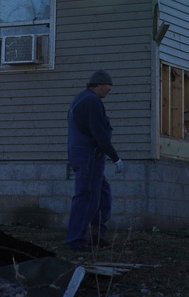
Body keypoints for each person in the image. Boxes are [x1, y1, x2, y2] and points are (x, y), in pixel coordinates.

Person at [66, 69, 123, 250]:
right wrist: (115, 157)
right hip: (88, 156)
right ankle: (76, 241)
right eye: (108, 86)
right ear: (98, 85)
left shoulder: (83, 98)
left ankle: (96, 234)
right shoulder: (91, 101)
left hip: (86, 155)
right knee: (87, 197)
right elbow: (99, 133)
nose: (110, 89)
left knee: (103, 194)